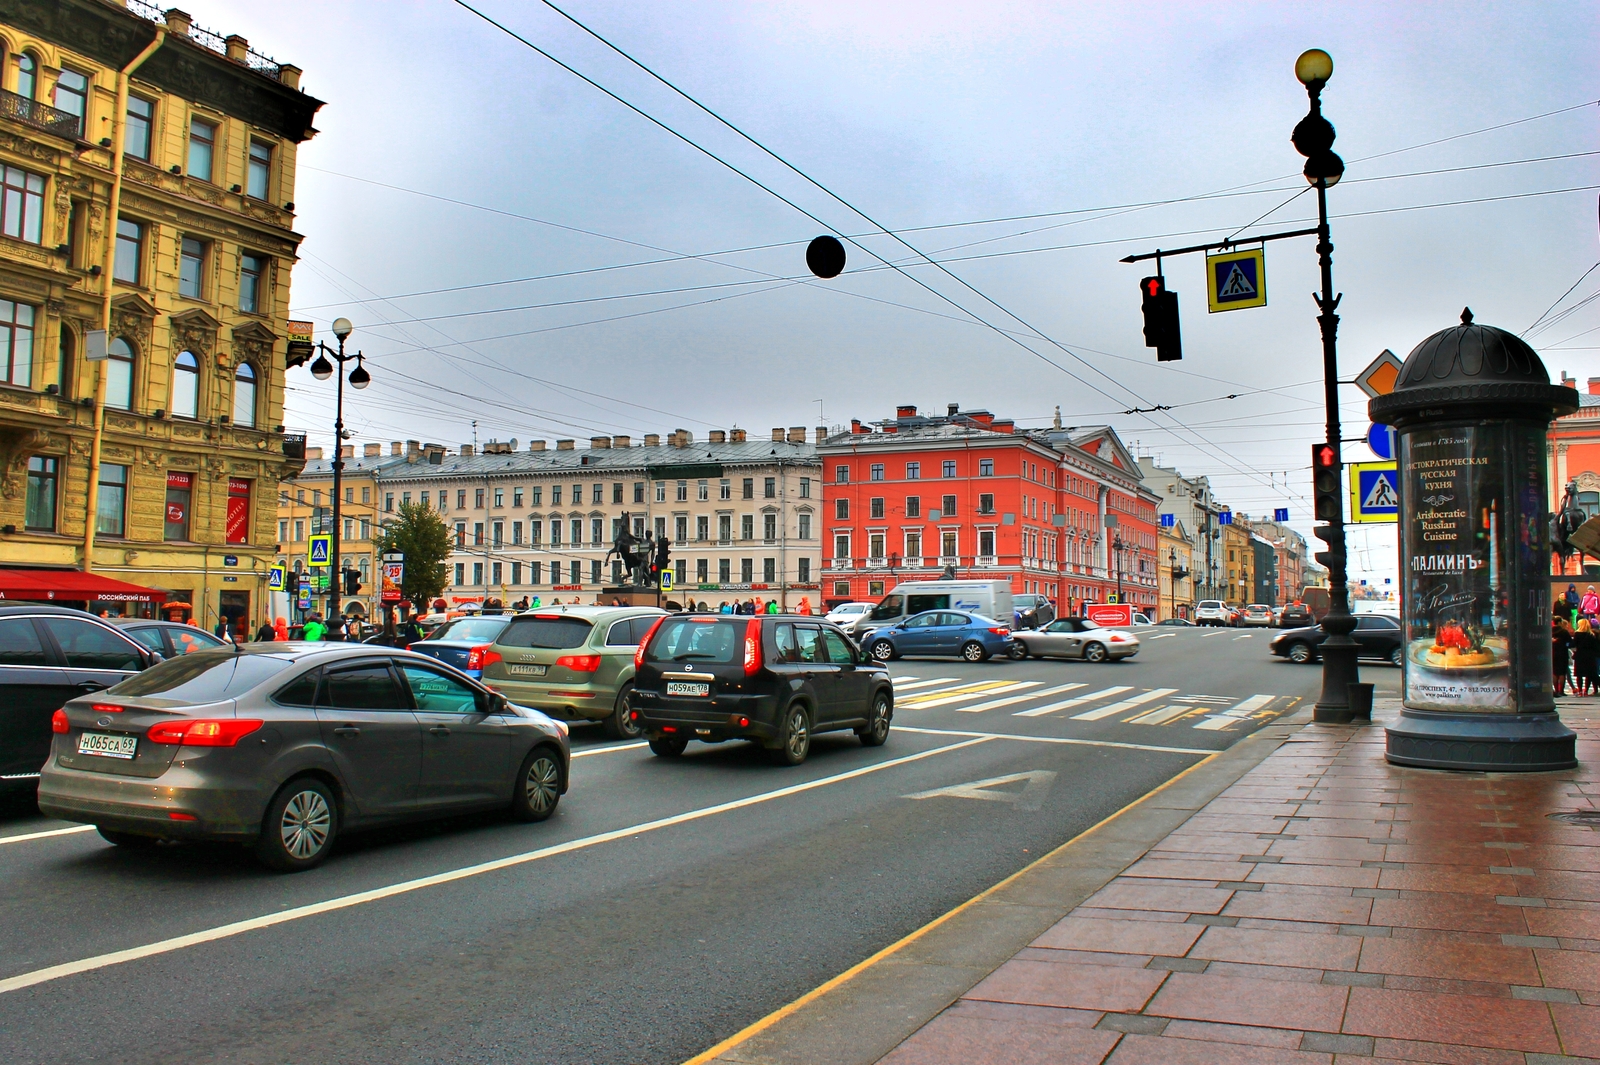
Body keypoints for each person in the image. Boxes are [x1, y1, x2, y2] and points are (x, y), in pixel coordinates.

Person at [1576, 619, 1600, 697]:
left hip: (1579, 655)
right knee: (1589, 674)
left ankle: (1580, 691)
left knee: (1579, 674)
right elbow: (1595, 647)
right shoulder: (1591, 635)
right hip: (1590, 656)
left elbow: (1573, 644)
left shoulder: (1577, 634)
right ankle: (1586, 690)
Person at [1554, 616, 1574, 697]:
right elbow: (1570, 643)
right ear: (1559, 622)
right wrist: (1565, 645)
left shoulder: (1550, 630)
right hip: (1562, 653)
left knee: (1554, 672)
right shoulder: (1564, 632)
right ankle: (1561, 690)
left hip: (1553, 653)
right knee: (1562, 673)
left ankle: (1555, 690)